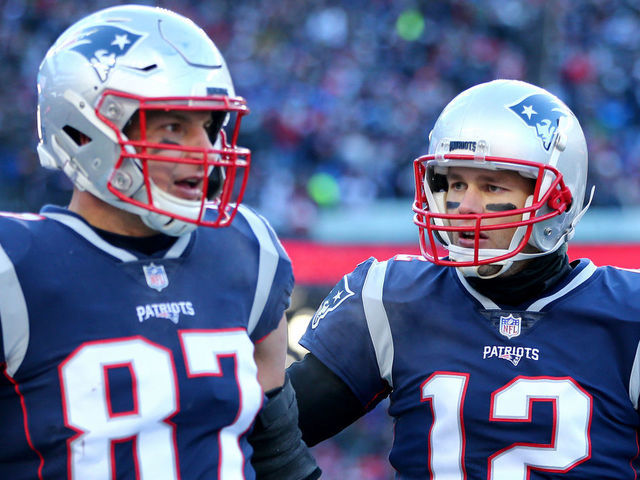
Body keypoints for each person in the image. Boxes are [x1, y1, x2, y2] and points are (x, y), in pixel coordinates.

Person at [0, 5, 319, 480]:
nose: (206, 152)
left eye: (209, 127)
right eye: (173, 127)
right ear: (84, 128)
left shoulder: (248, 250)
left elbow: (278, 454)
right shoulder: (15, 269)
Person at [289, 79, 640, 478]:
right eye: (456, 183)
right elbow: (263, 434)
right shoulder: (393, 298)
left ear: (557, 198)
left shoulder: (630, 315)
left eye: (491, 185)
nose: (465, 206)